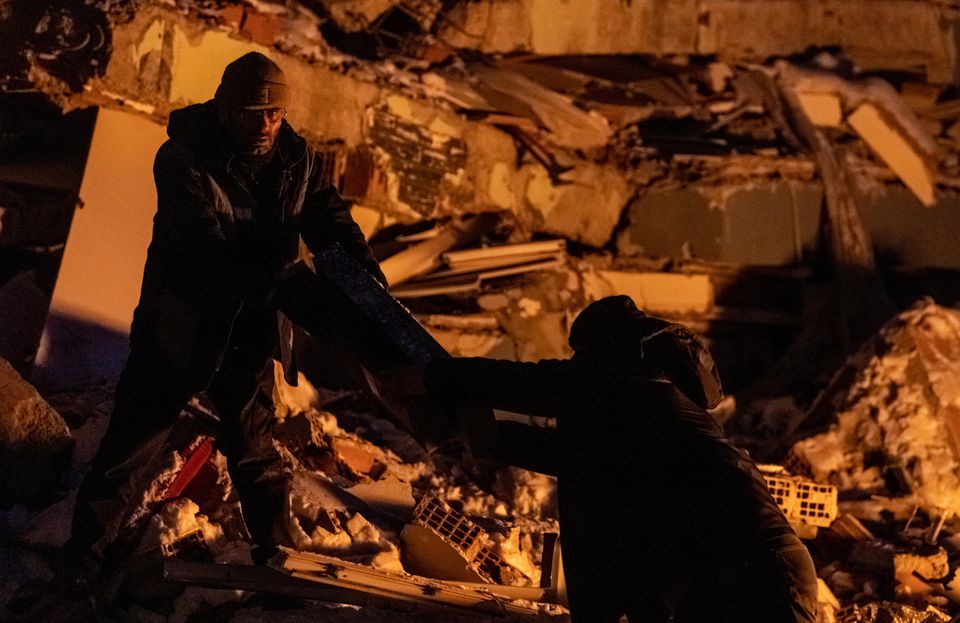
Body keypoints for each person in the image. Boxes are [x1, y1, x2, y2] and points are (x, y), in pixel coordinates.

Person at [69, 52, 387, 565]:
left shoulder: (296, 160)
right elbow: (205, 250)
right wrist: (293, 294)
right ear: (223, 110)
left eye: (275, 114)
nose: (265, 125)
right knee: (126, 457)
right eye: (251, 113)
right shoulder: (182, 160)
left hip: (251, 335)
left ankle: (278, 569)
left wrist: (368, 283)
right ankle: (79, 562)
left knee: (257, 455)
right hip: (182, 329)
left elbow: (330, 221)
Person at [404, 296, 818, 623]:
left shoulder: (633, 387)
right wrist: (482, 438)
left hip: (748, 574)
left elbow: (525, 385)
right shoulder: (654, 417)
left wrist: (429, 377)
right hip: (746, 572)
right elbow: (575, 456)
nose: (577, 367)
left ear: (606, 351)